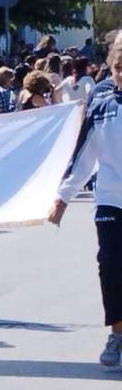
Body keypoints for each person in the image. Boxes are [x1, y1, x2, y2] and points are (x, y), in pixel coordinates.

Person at [49, 38, 122, 369]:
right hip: (110, 200)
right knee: (110, 266)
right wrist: (63, 198)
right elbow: (84, 156)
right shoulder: (102, 104)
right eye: (118, 68)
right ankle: (117, 334)